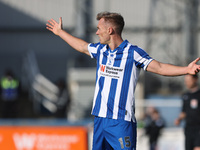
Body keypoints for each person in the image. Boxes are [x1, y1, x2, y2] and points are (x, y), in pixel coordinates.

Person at [46, 11, 200, 150]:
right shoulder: (101, 50)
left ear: (110, 30)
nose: (96, 32)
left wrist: (185, 70)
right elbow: (82, 47)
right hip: (100, 119)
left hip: (121, 122)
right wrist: (60, 33)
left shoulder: (133, 53)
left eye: (99, 28)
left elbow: (159, 67)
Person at [174, 74, 200, 150]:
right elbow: (184, 111)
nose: (187, 83)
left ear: (195, 79)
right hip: (188, 128)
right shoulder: (185, 95)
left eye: (189, 80)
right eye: (186, 81)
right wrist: (179, 119)